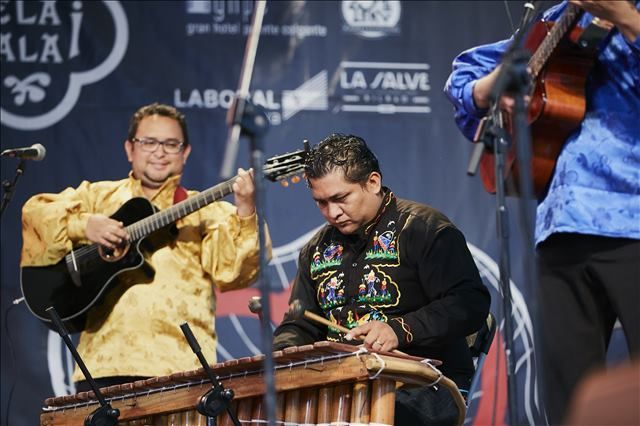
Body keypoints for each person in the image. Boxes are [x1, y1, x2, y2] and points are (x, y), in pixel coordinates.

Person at [444, 1, 640, 423]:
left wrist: (625, 18)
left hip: (633, 219)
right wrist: (496, 87)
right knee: (569, 398)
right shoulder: (556, 18)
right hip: (561, 228)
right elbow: (464, 77)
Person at [21, 103, 269, 391]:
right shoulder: (97, 197)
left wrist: (247, 209)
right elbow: (35, 213)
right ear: (130, 149)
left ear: (185, 153)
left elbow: (234, 273)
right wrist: (84, 225)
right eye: (149, 142)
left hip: (184, 367)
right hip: (103, 366)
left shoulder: (207, 212)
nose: (159, 152)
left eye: (171, 144)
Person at [272, 134, 491, 425]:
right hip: (344, 386)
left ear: (372, 182)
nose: (332, 213)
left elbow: (470, 303)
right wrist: (276, 359)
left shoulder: (424, 229)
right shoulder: (316, 249)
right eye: (321, 203)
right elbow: (300, 323)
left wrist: (398, 329)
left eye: (340, 198)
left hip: (425, 383)